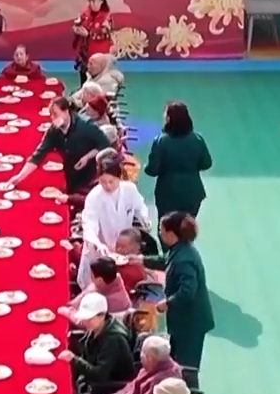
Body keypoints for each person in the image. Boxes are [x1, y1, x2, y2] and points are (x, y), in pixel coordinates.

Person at [134, 212, 214, 371]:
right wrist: (140, 260)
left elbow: (187, 290)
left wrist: (167, 303)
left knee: (186, 366)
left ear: (171, 234)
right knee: (176, 358)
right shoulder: (180, 249)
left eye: (162, 231)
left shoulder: (184, 260)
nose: (160, 234)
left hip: (190, 323)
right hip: (184, 321)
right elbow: (165, 260)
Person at [7, 97, 112, 194]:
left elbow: (105, 143)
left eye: (55, 114)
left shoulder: (86, 126)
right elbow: (39, 154)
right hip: (71, 174)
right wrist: (19, 177)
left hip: (90, 177)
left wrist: (87, 157)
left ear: (66, 111)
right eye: (51, 115)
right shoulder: (54, 131)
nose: (53, 118)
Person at [78, 154, 149, 288]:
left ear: (119, 177)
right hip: (100, 250)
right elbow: (89, 225)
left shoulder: (130, 190)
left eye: (111, 181)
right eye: (103, 182)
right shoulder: (94, 197)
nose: (108, 186)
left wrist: (144, 219)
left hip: (121, 248)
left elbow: (140, 207)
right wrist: (97, 244)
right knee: (98, 286)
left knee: (121, 284)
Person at [59, 292, 135, 394]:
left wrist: (74, 360)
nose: (86, 322)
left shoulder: (113, 339)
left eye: (89, 319)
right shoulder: (96, 328)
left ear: (102, 315)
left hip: (110, 388)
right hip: (93, 381)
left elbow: (100, 375)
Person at [145, 101, 213, 219]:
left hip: (167, 193)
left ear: (169, 119)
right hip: (193, 192)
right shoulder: (197, 139)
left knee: (167, 226)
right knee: (187, 226)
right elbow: (207, 163)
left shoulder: (161, 141)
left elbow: (152, 170)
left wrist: (146, 167)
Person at [111, 335, 184, 394]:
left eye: (142, 353)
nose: (140, 357)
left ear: (150, 358)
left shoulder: (161, 381)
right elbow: (130, 388)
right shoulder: (149, 368)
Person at [61, 257, 132, 319]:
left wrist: (66, 312)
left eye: (92, 276)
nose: (90, 277)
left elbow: (85, 321)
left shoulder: (111, 301)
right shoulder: (103, 283)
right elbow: (84, 295)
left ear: (99, 280)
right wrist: (69, 305)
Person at [73, 0, 113, 84]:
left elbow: (105, 34)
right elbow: (77, 23)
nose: (91, 3)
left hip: (99, 57)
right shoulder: (85, 14)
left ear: (101, 1)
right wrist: (76, 29)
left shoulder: (107, 17)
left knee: (98, 85)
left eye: (94, 0)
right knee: (84, 85)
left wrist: (88, 34)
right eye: (89, 0)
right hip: (85, 57)